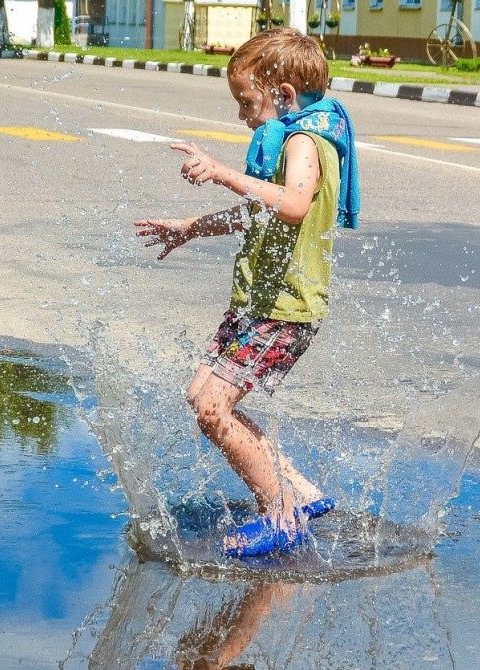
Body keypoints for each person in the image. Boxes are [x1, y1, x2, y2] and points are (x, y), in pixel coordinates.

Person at [134, 27, 360, 558]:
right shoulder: (291, 137)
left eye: (246, 101)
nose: (241, 115)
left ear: (282, 92)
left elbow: (293, 204)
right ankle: (302, 494)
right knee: (201, 398)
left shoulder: (306, 140)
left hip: (284, 309)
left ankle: (280, 515)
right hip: (258, 304)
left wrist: (222, 172)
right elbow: (260, 211)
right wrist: (191, 226)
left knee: (214, 408)